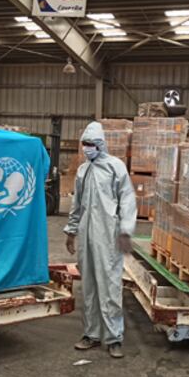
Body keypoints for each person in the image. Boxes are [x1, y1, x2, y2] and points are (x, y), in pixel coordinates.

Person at [64, 122, 137, 359]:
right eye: (84, 144)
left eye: (92, 144)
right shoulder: (83, 171)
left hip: (109, 234)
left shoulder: (116, 167)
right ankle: (91, 334)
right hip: (86, 233)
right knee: (89, 286)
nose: (87, 148)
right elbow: (77, 204)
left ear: (101, 144)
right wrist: (71, 231)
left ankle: (114, 337)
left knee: (110, 285)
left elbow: (127, 200)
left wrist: (125, 231)